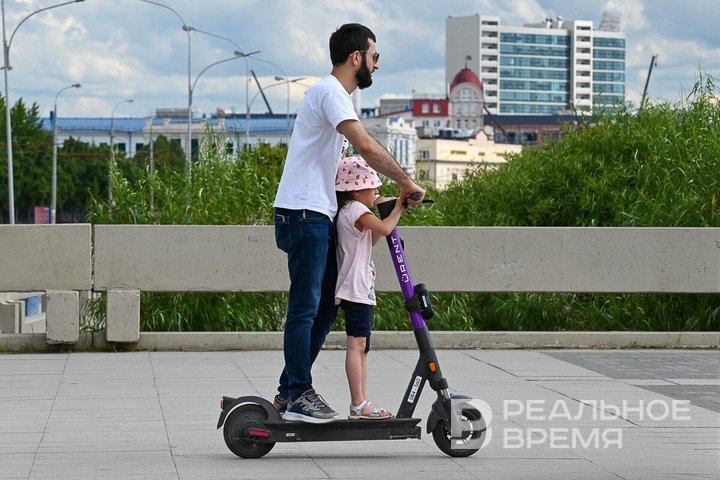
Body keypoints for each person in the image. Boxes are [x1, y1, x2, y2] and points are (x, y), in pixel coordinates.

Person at [272, 23, 425, 424]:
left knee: (324, 308)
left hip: (316, 212)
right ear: (357, 57)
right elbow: (366, 147)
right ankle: (298, 393)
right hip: (302, 213)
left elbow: (345, 179)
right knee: (305, 307)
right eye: (375, 57)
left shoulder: (335, 97)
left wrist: (386, 202)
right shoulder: (330, 92)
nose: (377, 65)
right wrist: (406, 181)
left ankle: (289, 391)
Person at [335, 155, 404, 420]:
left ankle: (362, 402)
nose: (376, 190)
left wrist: (384, 206)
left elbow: (373, 238)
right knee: (357, 345)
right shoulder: (355, 210)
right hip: (355, 287)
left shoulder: (353, 211)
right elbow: (385, 229)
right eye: (371, 186)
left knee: (362, 346)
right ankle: (358, 404)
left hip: (359, 286)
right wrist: (399, 207)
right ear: (355, 190)